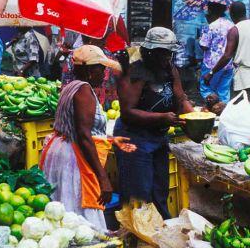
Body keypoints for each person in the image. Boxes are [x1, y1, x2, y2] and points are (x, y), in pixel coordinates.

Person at [39, 45, 135, 230]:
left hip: (64, 150)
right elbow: (84, 136)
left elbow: (84, 129)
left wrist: (110, 139)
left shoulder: (71, 87)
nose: (105, 72)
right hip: (75, 157)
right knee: (79, 215)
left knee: (66, 212)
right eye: (101, 68)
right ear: (91, 71)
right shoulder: (83, 91)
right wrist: (103, 178)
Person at [114, 27, 194, 219]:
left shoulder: (170, 69)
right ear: (150, 51)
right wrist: (162, 117)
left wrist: (196, 118)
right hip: (134, 138)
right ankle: (136, 239)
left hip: (158, 137)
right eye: (161, 53)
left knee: (160, 190)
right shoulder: (137, 71)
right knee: (139, 193)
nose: (166, 57)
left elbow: (181, 99)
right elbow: (127, 112)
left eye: (168, 53)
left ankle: (159, 234)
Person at [199, 2, 234, 103]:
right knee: (223, 92)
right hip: (228, 64)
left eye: (208, 9)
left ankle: (211, 113)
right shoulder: (231, 25)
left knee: (207, 90)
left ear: (211, 11)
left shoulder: (210, 26)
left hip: (211, 65)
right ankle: (222, 114)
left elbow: (204, 46)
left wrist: (201, 38)